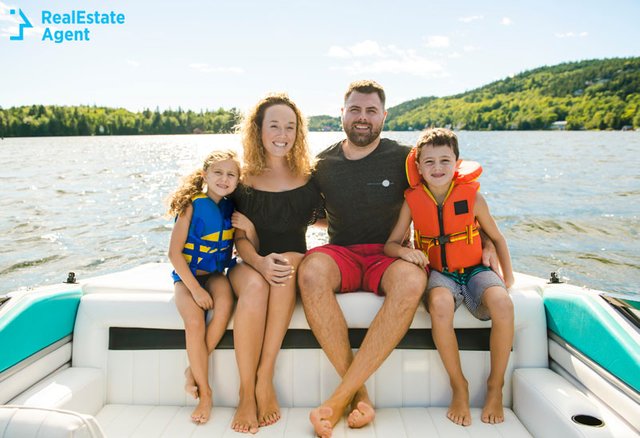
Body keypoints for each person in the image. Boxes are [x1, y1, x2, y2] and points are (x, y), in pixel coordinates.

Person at [297, 80, 428, 438]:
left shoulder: (405, 158)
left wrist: (488, 243)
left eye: (371, 111)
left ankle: (338, 400)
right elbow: (311, 214)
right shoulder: (323, 163)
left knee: (414, 280)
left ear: (384, 116)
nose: (362, 118)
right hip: (342, 254)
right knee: (310, 272)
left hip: (389, 254)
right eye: (355, 109)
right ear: (343, 113)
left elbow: (440, 195)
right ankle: (359, 394)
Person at [384, 127, 514, 426]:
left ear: (457, 162)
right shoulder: (413, 201)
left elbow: (498, 238)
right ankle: (459, 386)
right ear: (418, 167)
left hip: (476, 271)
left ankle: (495, 386)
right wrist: (406, 253)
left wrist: (507, 282)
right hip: (440, 274)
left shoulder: (474, 199)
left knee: (504, 305)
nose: (437, 168)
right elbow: (390, 244)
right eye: (429, 162)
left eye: (445, 160)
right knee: (440, 305)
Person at [228, 93, 322, 433]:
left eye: (290, 126)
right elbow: (238, 238)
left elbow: (332, 219)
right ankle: (245, 392)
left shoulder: (309, 178)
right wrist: (258, 262)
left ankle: (263, 379)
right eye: (274, 125)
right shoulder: (242, 178)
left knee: (286, 266)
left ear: (298, 132)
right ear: (258, 129)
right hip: (248, 262)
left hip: (288, 263)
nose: (282, 133)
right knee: (256, 286)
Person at [167, 149, 253, 424]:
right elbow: (174, 254)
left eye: (231, 175)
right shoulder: (191, 205)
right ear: (205, 175)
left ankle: (193, 370)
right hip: (187, 277)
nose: (224, 179)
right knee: (194, 323)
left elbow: (248, 248)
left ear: (238, 181)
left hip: (215, 274)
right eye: (218, 172)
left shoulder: (232, 209)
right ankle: (205, 393)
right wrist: (195, 289)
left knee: (225, 304)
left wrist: (250, 228)